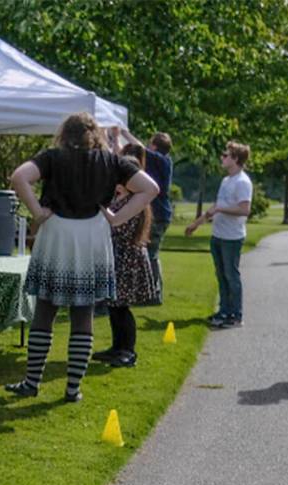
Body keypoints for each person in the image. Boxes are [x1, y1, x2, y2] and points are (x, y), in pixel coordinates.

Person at [6, 113, 158, 402]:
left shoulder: (53, 156)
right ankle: (73, 388)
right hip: (92, 236)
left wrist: (38, 213)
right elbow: (150, 189)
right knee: (83, 314)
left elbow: (19, 177)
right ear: (95, 134)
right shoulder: (112, 161)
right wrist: (117, 218)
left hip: (57, 234)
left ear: (65, 133)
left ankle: (32, 382)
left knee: (45, 310)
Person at [93, 143, 160, 368]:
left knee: (122, 308)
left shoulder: (134, 203)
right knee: (115, 306)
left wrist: (100, 205)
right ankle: (117, 347)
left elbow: (117, 225)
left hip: (127, 261)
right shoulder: (123, 199)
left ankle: (128, 351)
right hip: (119, 259)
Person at [185, 141, 253, 329]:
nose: (222, 158)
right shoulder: (226, 180)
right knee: (221, 275)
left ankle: (235, 315)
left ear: (236, 159)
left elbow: (245, 209)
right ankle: (224, 311)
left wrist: (222, 209)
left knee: (231, 275)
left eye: (226, 155)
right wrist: (196, 224)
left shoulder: (242, 182)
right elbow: (214, 209)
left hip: (232, 237)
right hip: (218, 234)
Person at [118, 127, 173, 301]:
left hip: (158, 215)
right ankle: (152, 291)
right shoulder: (163, 162)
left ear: (155, 147)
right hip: (162, 214)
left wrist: (124, 132)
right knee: (151, 253)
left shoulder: (162, 160)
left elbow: (139, 147)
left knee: (151, 254)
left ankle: (153, 293)